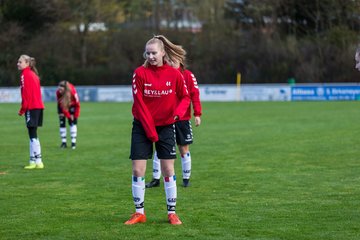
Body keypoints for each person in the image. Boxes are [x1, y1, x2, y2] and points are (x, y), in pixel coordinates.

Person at [124, 35, 190, 225]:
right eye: (148, 53)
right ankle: (139, 213)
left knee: (168, 169)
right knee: (138, 170)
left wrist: (177, 115)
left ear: (162, 53)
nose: (151, 56)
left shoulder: (174, 73)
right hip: (142, 126)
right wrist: (150, 130)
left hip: (166, 127)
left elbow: (185, 97)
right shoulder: (139, 73)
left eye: (154, 53)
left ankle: (172, 212)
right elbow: (140, 104)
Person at [146, 59, 202, 188]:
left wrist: (197, 114)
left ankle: (186, 178)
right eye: (168, 60)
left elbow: (194, 94)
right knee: (159, 148)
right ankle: (155, 178)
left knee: (183, 149)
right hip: (164, 119)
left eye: (173, 60)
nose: (170, 62)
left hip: (182, 119)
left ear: (180, 60)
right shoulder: (163, 74)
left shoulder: (188, 75)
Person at [17, 54, 45, 169]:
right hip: (38, 107)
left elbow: (26, 95)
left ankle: (38, 161)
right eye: (18, 62)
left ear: (27, 63)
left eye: (20, 62)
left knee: (32, 135)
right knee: (32, 134)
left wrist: (22, 109)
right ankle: (32, 161)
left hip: (31, 107)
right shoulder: (34, 74)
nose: (18, 64)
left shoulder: (25, 75)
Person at [56, 81, 80, 149]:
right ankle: (64, 143)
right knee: (62, 122)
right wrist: (69, 116)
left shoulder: (73, 92)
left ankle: (73, 143)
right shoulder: (58, 92)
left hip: (73, 106)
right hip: (62, 105)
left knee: (73, 122)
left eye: (61, 90)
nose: (59, 91)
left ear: (65, 89)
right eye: (59, 89)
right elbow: (61, 106)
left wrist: (75, 116)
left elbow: (78, 105)